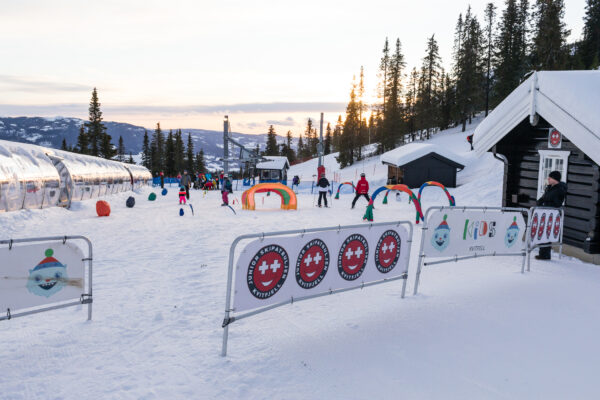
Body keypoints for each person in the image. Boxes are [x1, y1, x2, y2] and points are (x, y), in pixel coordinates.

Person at [535, 170, 567, 260]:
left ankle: (545, 255)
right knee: (542, 231)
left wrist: (545, 203)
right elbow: (543, 198)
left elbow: (557, 203)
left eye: (550, 177)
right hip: (544, 213)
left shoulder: (560, 189)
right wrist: (540, 202)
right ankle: (543, 253)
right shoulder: (549, 188)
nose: (548, 179)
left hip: (551, 215)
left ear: (555, 179)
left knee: (547, 233)